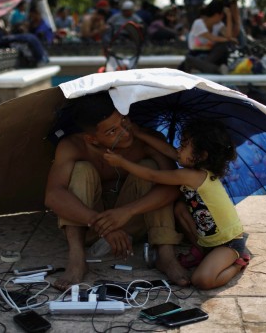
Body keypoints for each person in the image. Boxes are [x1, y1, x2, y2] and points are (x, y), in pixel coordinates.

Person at [44, 91, 190, 290]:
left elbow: (174, 187)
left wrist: (127, 212)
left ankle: (165, 255)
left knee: (150, 168)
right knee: (81, 170)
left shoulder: (145, 139)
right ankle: (77, 257)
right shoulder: (73, 146)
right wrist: (101, 222)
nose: (125, 132)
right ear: (92, 139)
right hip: (91, 226)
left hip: (135, 222)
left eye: (123, 121)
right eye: (112, 131)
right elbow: (53, 196)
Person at [103, 119, 248, 290]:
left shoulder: (191, 176)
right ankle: (203, 252)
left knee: (201, 280)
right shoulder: (195, 169)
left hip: (228, 242)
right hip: (208, 240)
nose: (178, 150)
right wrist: (139, 133)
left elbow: (153, 175)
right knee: (179, 209)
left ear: (201, 155)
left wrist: (122, 163)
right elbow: (167, 150)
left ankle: (238, 263)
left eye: (184, 145)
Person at [179, 0, 238, 74]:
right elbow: (213, 38)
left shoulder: (219, 25)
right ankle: (216, 69)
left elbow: (228, 36)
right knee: (189, 59)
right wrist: (229, 39)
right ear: (217, 15)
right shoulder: (198, 23)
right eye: (222, 15)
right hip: (197, 55)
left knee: (223, 46)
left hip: (211, 56)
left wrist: (229, 16)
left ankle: (204, 67)